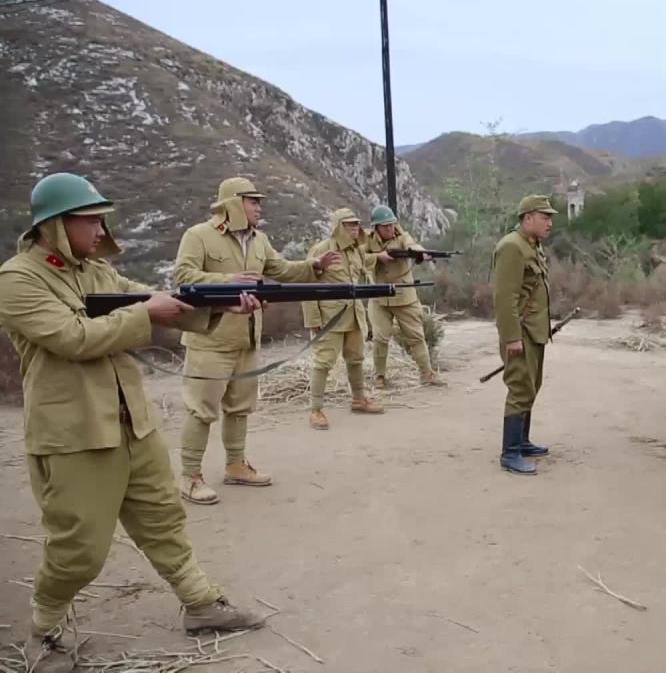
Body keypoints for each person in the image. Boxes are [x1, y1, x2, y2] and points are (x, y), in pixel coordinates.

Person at [0, 173, 266, 672]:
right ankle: (44, 630)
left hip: (130, 423)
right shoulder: (18, 278)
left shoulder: (97, 272)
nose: (101, 230)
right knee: (79, 546)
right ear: (57, 225)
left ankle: (200, 602)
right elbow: (74, 337)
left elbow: (154, 302)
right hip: (75, 435)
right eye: (91, 219)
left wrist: (221, 303)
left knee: (163, 519)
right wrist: (147, 312)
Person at [172, 177, 339, 505]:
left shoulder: (259, 240)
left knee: (240, 407)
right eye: (253, 201)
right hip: (210, 338)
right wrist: (227, 280)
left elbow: (282, 270)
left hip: (247, 338)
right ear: (234, 202)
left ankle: (236, 465)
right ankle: (190, 475)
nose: (259, 207)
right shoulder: (198, 236)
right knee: (201, 409)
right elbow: (184, 276)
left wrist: (314, 266)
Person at [492, 195, 559, 475]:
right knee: (520, 387)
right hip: (520, 332)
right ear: (528, 217)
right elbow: (505, 297)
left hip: (534, 332)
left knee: (532, 385)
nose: (550, 223)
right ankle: (510, 453)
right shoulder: (511, 247)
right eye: (545, 217)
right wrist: (511, 337)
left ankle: (522, 441)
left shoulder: (532, 246)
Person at [303, 208, 387, 430]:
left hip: (354, 315)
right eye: (349, 224)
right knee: (323, 362)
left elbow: (365, 272)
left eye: (356, 224)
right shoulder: (322, 250)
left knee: (356, 358)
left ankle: (359, 399)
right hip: (330, 317)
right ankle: (316, 410)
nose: (355, 228)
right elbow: (307, 285)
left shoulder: (356, 251)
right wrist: (312, 319)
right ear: (338, 226)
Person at [365, 204, 443, 389]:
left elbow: (412, 246)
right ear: (376, 227)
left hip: (404, 296)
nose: (390, 229)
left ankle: (427, 373)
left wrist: (421, 254)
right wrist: (378, 257)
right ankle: (380, 377)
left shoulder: (402, 236)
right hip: (379, 297)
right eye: (385, 226)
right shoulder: (367, 240)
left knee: (416, 336)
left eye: (392, 224)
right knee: (380, 337)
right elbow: (357, 256)